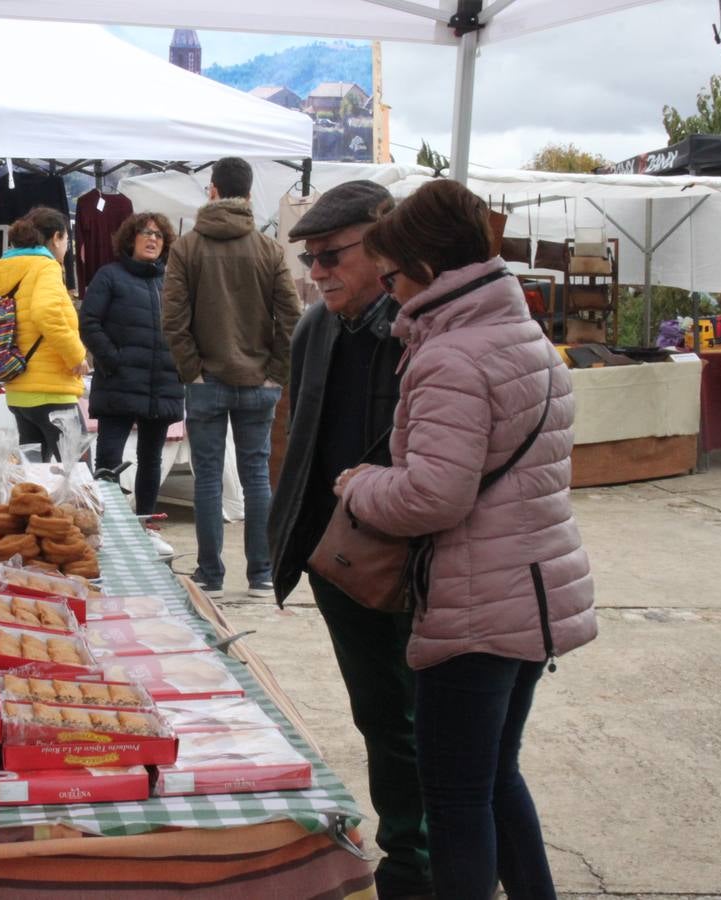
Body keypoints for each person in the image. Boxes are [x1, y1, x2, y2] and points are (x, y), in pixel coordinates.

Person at [339, 179, 597, 898]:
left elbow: (432, 495)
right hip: (533, 591)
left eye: (390, 275)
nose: (387, 292)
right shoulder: (524, 337)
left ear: (422, 267)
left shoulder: (451, 355)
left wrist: (358, 482)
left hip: (478, 602)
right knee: (493, 776)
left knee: (454, 795)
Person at [264, 180, 432, 899]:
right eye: (311, 258)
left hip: (420, 561)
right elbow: (295, 434)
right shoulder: (315, 326)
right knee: (379, 717)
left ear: (385, 241)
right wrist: (291, 534)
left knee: (424, 722)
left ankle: (423, 862)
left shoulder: (426, 323)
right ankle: (409, 853)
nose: (318, 272)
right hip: (337, 560)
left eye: (333, 254)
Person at [162, 156, 302, 598]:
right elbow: (292, 317)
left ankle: (211, 575)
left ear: (213, 190)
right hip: (258, 381)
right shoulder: (269, 249)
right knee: (256, 476)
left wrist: (193, 371)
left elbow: (173, 319)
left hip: (206, 382)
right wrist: (276, 372)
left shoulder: (187, 247)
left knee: (208, 478)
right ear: (249, 191)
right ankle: (261, 574)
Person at [79, 211, 183, 519]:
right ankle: (106, 521)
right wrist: (113, 359)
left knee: (151, 459)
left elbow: (187, 326)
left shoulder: (173, 282)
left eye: (158, 235)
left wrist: (180, 365)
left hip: (162, 384)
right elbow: (89, 322)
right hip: (119, 382)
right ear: (130, 238)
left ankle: (147, 523)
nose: (152, 239)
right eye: (145, 233)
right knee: (109, 457)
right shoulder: (109, 276)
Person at [0, 206, 87, 461]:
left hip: (20, 390)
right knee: (78, 476)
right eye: (67, 239)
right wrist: (76, 355)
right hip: (51, 390)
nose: (67, 246)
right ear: (56, 237)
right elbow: (46, 314)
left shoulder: (14, 269)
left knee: (34, 478)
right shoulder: (46, 267)